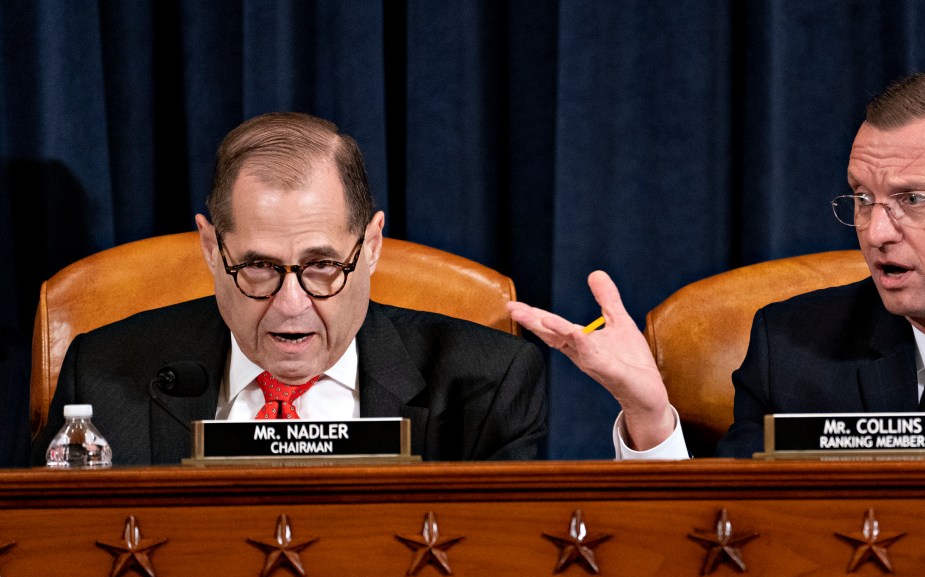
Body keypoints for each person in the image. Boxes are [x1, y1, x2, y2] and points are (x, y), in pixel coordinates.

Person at [508, 70, 925, 457]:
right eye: (862, 200)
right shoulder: (796, 351)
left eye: (912, 200)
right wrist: (652, 417)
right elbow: (726, 538)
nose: (876, 231)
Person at [33, 112, 546, 464]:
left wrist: (633, 425)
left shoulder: (486, 383)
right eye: (258, 266)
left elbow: (531, 574)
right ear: (212, 249)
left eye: (322, 265)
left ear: (370, 245)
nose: (291, 304)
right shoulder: (100, 376)